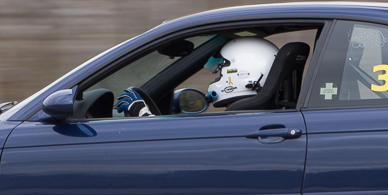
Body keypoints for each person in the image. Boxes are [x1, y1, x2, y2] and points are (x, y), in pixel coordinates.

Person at [115, 37, 279, 116]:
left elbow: (179, 150)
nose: (217, 78)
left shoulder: (243, 118)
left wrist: (143, 114)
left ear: (243, 71)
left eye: (222, 69)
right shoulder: (257, 114)